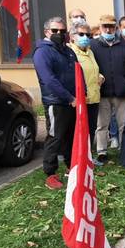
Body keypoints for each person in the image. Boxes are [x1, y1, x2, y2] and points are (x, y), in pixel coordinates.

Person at [33, 17, 77, 189]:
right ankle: (50, 173)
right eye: (55, 31)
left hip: (71, 101)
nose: (59, 34)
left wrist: (80, 95)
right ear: (46, 32)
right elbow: (49, 80)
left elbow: (76, 73)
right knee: (55, 137)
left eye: (62, 31)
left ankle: (70, 167)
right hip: (56, 102)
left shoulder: (67, 50)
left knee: (69, 136)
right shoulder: (42, 53)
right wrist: (69, 98)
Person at [90, 14, 125, 163]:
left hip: (123, 93)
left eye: (111, 26)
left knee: (124, 123)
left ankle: (124, 149)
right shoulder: (93, 45)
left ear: (116, 28)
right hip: (102, 92)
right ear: (100, 28)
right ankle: (102, 151)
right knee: (102, 124)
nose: (108, 29)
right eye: (105, 26)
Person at [67, 23, 103, 155]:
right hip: (81, 99)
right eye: (81, 34)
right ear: (72, 37)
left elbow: (93, 70)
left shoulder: (90, 51)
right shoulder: (70, 53)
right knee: (80, 132)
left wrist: (101, 76)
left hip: (94, 98)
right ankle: (77, 159)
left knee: (91, 129)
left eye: (88, 35)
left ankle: (88, 158)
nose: (85, 37)